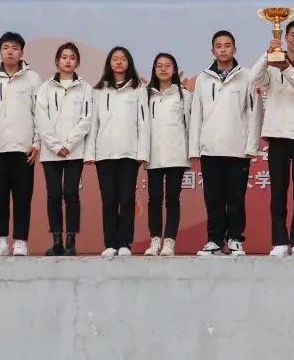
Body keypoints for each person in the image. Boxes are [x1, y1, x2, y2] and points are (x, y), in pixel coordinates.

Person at [250, 20, 294, 257]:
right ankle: (280, 241)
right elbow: (253, 79)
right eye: (292, 35)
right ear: (286, 37)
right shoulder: (272, 63)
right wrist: (268, 54)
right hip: (277, 135)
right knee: (278, 193)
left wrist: (286, 68)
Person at [189, 31, 261, 257]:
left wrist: (251, 146)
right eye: (218, 46)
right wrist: (194, 148)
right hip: (210, 148)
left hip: (237, 149)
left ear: (234, 49)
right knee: (213, 198)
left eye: (227, 45)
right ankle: (214, 240)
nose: (223, 49)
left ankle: (235, 239)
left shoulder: (247, 76)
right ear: (212, 51)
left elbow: (254, 113)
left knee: (236, 197)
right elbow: (196, 114)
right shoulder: (203, 78)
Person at [0, 32, 43, 257]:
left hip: (24, 149)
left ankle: (21, 241)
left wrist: (36, 143)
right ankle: (1, 241)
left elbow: (39, 113)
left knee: (23, 196)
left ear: (22, 52)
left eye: (15, 48)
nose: (10, 52)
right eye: (6, 48)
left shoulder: (33, 78)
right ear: (0, 51)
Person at [86, 47, 147, 258]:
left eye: (123, 59)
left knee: (127, 199)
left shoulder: (138, 89)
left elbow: (143, 123)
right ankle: (110, 243)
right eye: (115, 59)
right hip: (104, 154)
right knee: (109, 199)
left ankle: (125, 243)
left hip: (129, 153)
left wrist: (142, 152)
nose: (119, 62)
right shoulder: (98, 90)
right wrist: (90, 153)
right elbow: (93, 123)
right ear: (109, 63)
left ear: (129, 63)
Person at [35, 42, 94, 256]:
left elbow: (86, 119)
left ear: (77, 62)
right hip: (50, 152)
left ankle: (71, 242)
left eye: (72, 57)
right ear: (57, 61)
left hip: (74, 151)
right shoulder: (45, 87)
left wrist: (68, 145)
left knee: (71, 194)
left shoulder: (86, 88)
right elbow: (41, 118)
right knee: (53, 195)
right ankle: (57, 241)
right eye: (64, 57)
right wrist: (54, 145)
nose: (68, 61)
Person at [143, 52, 191, 257]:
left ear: (174, 69)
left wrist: (190, 151)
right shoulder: (146, 95)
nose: (163, 69)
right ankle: (155, 240)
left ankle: (169, 242)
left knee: (172, 199)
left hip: (176, 154)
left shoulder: (184, 95)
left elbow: (190, 125)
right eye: (159, 65)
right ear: (154, 69)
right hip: (153, 154)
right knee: (154, 199)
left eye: (167, 65)